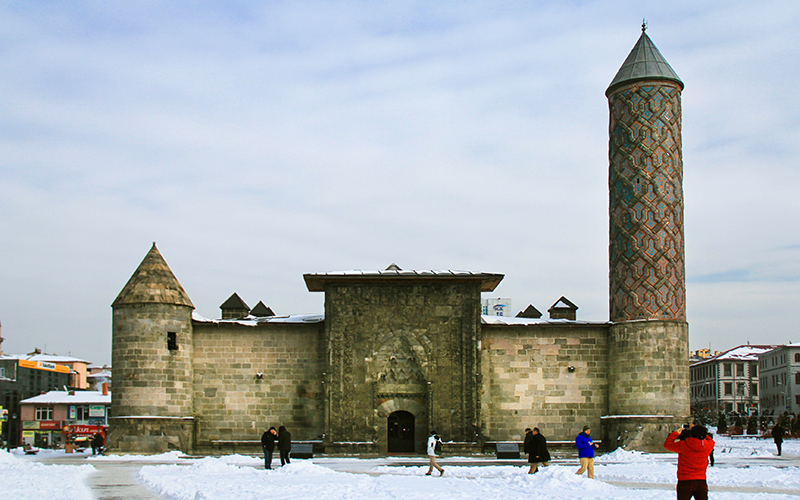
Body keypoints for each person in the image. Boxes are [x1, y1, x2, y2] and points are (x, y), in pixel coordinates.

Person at [664, 424, 715, 500]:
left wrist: (676, 433)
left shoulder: (684, 445)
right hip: (701, 480)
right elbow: (711, 440)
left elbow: (667, 444)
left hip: (685, 480)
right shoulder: (707, 446)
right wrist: (700, 431)